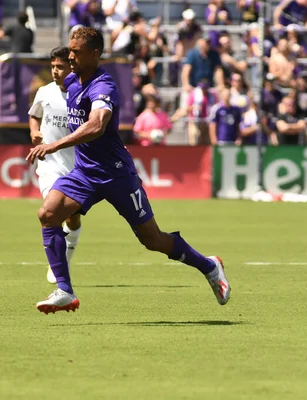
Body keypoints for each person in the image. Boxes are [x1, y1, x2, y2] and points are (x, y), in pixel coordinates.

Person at [26, 27, 230, 314]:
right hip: (85, 173)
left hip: (117, 174)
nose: (71, 57)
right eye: (69, 50)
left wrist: (55, 144)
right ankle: (64, 290)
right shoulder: (72, 80)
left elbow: (97, 125)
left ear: (95, 54)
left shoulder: (103, 86)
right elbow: (47, 98)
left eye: (77, 52)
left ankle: (209, 266)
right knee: (48, 213)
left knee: (152, 239)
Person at [28, 46, 82, 285]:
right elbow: (34, 114)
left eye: (60, 66)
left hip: (77, 165)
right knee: (52, 211)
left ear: (72, 66)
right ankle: (58, 264)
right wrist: (34, 132)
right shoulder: (44, 92)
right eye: (53, 67)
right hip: (49, 164)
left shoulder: (82, 93)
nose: (55, 71)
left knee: (73, 218)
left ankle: (69, 248)